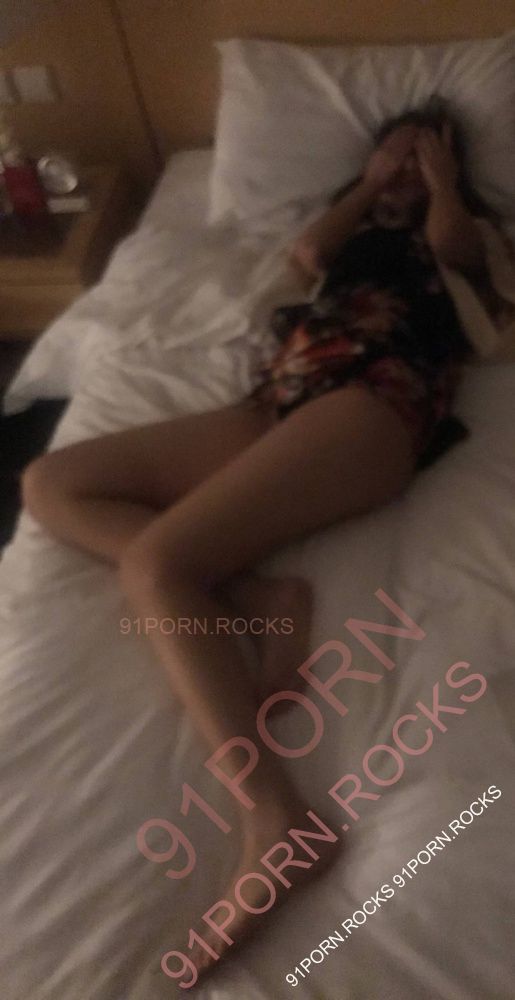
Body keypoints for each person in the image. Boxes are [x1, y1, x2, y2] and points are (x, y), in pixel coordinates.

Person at [19, 99, 507, 980]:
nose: (402, 168)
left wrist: (441, 183)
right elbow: (309, 255)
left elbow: (456, 249)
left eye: (422, 156)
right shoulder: (355, 225)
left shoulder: (464, 228)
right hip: (282, 401)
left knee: (155, 566)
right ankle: (259, 596)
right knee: (50, 483)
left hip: (375, 402)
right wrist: (367, 188)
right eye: (392, 153)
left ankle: (274, 817)